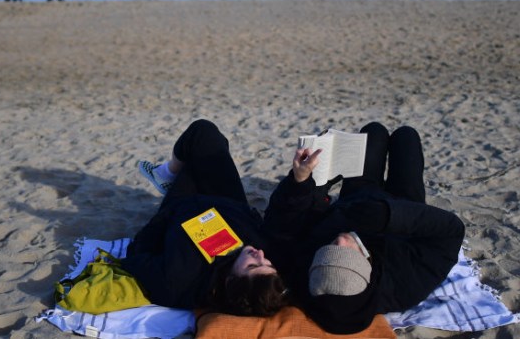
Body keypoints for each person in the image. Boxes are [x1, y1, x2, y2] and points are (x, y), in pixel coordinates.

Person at [263, 122, 465, 334]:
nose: (339, 240)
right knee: (406, 136)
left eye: (329, 248)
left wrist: (301, 181)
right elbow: (450, 231)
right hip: (405, 208)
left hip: (355, 200)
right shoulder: (405, 284)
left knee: (373, 131)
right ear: (364, 267)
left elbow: (283, 223)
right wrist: (389, 215)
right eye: (344, 251)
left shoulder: (305, 272)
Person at [123, 119, 290, 316]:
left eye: (253, 266)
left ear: (230, 281)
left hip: (183, 202)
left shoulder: (178, 282)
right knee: (208, 135)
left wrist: (165, 218)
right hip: (228, 200)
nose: (260, 255)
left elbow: (136, 253)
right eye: (268, 264)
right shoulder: (267, 263)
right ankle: (166, 174)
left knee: (198, 139)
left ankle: (166, 175)